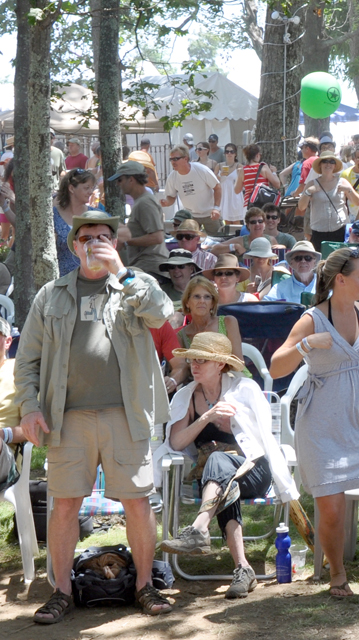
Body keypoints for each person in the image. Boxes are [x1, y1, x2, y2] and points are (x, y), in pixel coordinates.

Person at [16, 211, 174, 622]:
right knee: (65, 505)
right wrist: (30, 407)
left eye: (104, 236)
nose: (95, 243)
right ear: (74, 244)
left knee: (138, 503)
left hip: (126, 415)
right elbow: (27, 359)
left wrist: (122, 272)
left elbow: (161, 314)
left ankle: (144, 586)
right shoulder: (50, 295)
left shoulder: (134, 285)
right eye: (86, 236)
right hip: (68, 418)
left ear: (115, 243)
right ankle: (62, 591)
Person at [271, 247, 359, 597]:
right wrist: (304, 347)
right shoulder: (312, 318)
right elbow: (275, 367)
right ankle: (337, 574)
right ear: (340, 279)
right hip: (322, 424)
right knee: (330, 510)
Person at [158, 332, 299, 597]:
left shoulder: (244, 389)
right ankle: (243, 569)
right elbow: (176, 442)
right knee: (222, 476)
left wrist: (235, 426)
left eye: (202, 360)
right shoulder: (187, 396)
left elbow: (263, 437)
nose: (195, 366)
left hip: (254, 471)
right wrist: (206, 418)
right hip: (218, 478)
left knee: (219, 463)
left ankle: (199, 528)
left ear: (221, 365)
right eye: (192, 360)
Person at [111, 161, 170, 282]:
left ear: (131, 179)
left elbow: (157, 237)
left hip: (151, 269)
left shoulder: (145, 203)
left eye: (120, 180)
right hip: (147, 267)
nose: (117, 184)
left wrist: (127, 242)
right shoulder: (141, 201)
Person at [176, 275, 245, 376]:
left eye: (207, 297)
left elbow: (239, 363)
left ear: (212, 303)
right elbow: (183, 369)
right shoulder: (182, 335)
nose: (202, 301)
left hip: (234, 378)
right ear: (187, 303)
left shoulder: (228, 322)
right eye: (197, 296)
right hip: (202, 384)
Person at [299, 152, 359, 248]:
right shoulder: (311, 184)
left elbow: (357, 202)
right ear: (320, 165)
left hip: (340, 229)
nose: (328, 164)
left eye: (331, 162)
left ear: (335, 165)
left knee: (340, 261)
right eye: (325, 161)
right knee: (320, 261)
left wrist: (349, 190)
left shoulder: (343, 182)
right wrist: (308, 192)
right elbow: (301, 207)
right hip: (318, 231)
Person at [160, 145, 223, 236]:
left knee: (217, 241)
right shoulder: (172, 177)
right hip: (190, 216)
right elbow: (171, 197)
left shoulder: (201, 169)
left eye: (176, 159)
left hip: (210, 215)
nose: (173, 162)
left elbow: (217, 187)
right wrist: (166, 202)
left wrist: (216, 208)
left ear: (185, 159)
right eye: (171, 159)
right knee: (188, 241)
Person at [0, 318, 28, 496]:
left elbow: (34, 428)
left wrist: (3, 434)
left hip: (6, 459)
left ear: (8, 341)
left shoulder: (19, 373)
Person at [53, 167, 98, 277]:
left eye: (92, 188)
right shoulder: (53, 215)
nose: (91, 192)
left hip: (91, 279)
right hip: (62, 280)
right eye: (86, 188)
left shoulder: (96, 215)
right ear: (72, 189)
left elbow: (123, 232)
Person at [217, 144, 246, 225]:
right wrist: (220, 176)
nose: (229, 153)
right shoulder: (219, 166)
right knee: (227, 222)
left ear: (235, 154)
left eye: (231, 152)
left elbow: (244, 182)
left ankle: (238, 237)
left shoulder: (239, 166)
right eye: (227, 151)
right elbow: (213, 182)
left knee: (236, 221)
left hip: (235, 195)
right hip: (224, 195)